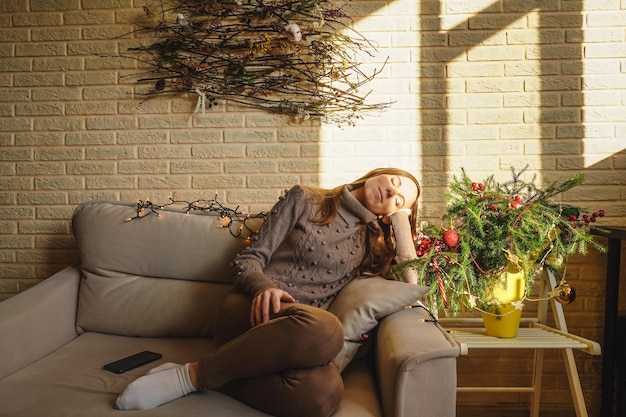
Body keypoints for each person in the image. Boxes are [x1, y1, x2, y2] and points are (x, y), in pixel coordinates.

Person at [115, 167, 421, 417]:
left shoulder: (372, 244)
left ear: (390, 214)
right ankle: (187, 378)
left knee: (324, 396)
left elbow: (411, 282)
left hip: (296, 338)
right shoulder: (304, 199)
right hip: (249, 310)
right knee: (327, 330)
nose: (391, 192)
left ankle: (214, 375)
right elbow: (248, 260)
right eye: (393, 182)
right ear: (377, 174)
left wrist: (400, 222)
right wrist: (265, 288)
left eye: (398, 200)